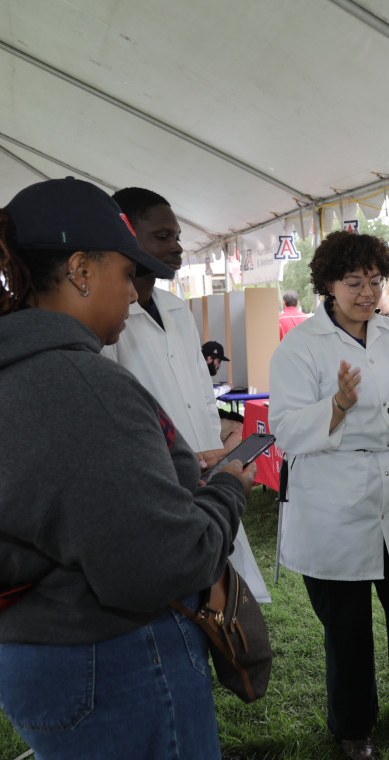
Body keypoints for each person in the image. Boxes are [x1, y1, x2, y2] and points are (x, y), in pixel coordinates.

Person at [0, 177, 255, 760]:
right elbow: (162, 563)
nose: (135, 295)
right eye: (125, 273)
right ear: (82, 269)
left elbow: (69, 496)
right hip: (110, 659)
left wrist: (175, 473)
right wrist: (227, 491)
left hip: (32, 644)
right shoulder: (80, 385)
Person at [269, 230, 389, 760]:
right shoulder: (300, 346)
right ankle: (353, 729)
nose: (367, 293)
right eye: (354, 282)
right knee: (347, 627)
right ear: (328, 284)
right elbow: (284, 430)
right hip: (335, 502)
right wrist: (336, 406)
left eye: (375, 281)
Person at [103, 187, 268, 602]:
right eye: (162, 237)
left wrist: (217, 450)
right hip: (157, 483)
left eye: (177, 236)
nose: (177, 247)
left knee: (226, 604)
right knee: (183, 602)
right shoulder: (107, 321)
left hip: (209, 475)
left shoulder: (177, 309)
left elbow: (199, 394)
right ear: (125, 235)